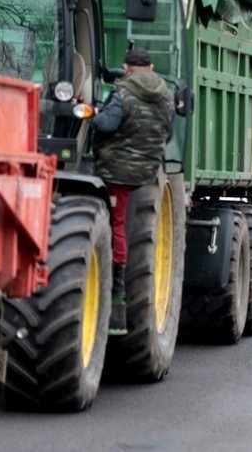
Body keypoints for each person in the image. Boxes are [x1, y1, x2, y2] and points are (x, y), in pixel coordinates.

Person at [90, 48, 175, 335]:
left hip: (117, 170)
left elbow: (107, 124)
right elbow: (169, 134)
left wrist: (91, 114)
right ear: (150, 67)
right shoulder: (165, 96)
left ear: (127, 68)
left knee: (117, 225)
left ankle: (116, 288)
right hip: (147, 170)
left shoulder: (123, 93)